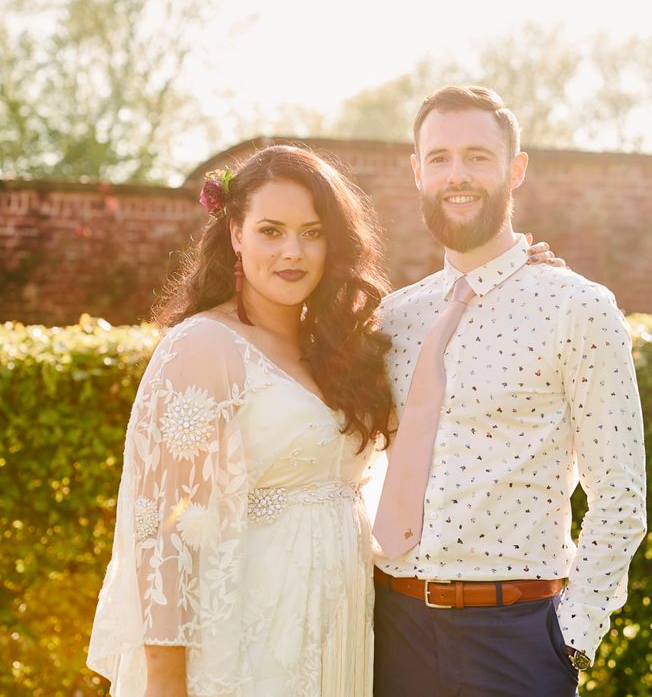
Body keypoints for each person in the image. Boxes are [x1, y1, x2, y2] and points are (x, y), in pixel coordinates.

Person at [87, 143, 560, 697]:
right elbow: (163, 531)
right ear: (235, 233)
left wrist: (511, 281)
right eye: (271, 231)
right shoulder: (202, 347)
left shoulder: (343, 347)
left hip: (345, 631)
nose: (293, 251)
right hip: (246, 639)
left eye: (313, 232)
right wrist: (165, 686)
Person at [372, 86, 647, 697]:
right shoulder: (394, 318)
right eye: (439, 158)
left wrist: (571, 639)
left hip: (517, 637)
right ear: (417, 172)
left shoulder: (578, 307)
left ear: (515, 169)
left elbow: (621, 493)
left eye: (478, 155)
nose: (457, 175)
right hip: (391, 628)